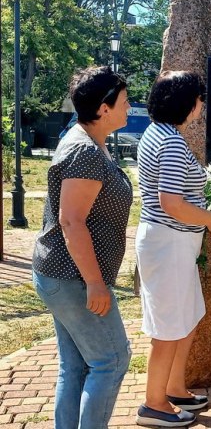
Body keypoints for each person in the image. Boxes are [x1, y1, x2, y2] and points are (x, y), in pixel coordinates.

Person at [31, 66, 133, 428]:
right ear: (103, 108)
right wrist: (95, 282)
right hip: (73, 279)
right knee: (112, 361)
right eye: (124, 101)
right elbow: (71, 221)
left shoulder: (89, 142)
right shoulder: (84, 151)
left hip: (63, 276)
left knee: (75, 366)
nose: (129, 107)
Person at [134, 71, 211, 427]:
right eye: (198, 99)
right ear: (185, 103)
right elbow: (170, 201)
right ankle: (154, 405)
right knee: (169, 326)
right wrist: (209, 218)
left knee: (186, 318)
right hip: (169, 242)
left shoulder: (160, 134)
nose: (201, 105)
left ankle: (174, 388)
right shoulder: (169, 142)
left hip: (173, 244)